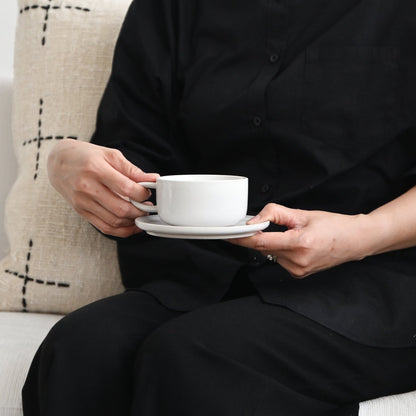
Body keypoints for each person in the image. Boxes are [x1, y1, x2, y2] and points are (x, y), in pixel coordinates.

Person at [22, 0, 416, 415]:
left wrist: (362, 234)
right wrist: (68, 163)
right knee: (79, 351)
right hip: (209, 274)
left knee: (199, 358)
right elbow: (136, 160)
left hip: (378, 279)